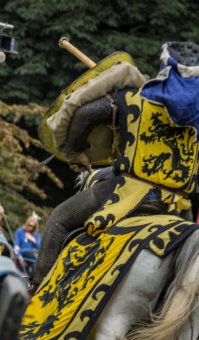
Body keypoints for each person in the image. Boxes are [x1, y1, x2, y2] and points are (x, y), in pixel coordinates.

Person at [31, 41, 199, 294]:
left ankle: (37, 290)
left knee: (59, 220)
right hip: (178, 207)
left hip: (126, 193)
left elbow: (84, 115)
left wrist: (76, 152)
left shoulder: (132, 97)